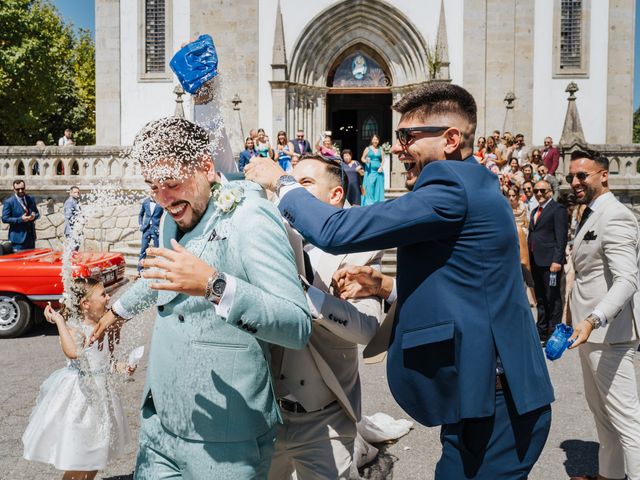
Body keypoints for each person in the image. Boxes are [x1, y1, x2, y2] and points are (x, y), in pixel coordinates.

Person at [246, 82, 553, 479]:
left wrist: (282, 183)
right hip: (480, 396)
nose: (395, 147)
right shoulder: (471, 185)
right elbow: (469, 284)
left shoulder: (451, 186)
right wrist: (384, 288)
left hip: (497, 401)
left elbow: (338, 230)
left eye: (407, 136)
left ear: (450, 139)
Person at [91, 114, 311, 479]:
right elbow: (167, 272)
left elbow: (296, 325)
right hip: (160, 422)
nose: (163, 199)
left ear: (206, 167)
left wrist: (213, 285)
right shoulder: (172, 215)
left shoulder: (251, 218)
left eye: (172, 183)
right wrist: (118, 309)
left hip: (226, 435)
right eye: (152, 187)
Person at [268, 153, 383, 480]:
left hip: (324, 419)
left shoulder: (361, 249)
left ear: (335, 196)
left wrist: (305, 296)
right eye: (287, 182)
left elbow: (368, 329)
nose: (288, 192)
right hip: (266, 412)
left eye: (303, 184)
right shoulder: (269, 235)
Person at [566, 150, 640, 480]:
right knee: (603, 415)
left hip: (608, 333)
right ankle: (609, 476)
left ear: (604, 175)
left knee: (627, 420)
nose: (575, 182)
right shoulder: (590, 213)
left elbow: (627, 280)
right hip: (588, 334)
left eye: (583, 175)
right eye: (571, 177)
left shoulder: (616, 215)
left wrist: (593, 319)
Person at [22, 278, 132, 480]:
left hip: (102, 395)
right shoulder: (74, 329)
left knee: (96, 455)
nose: (108, 298)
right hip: (79, 399)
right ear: (85, 304)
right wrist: (60, 322)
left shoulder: (105, 327)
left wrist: (121, 367)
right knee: (78, 457)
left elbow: (106, 362)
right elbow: (73, 352)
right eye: (103, 295)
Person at [528, 180, 568, 343]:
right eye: (536, 191)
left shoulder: (558, 209)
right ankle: (542, 330)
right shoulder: (534, 211)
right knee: (541, 298)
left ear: (550, 191)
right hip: (536, 261)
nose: (539, 194)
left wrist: (557, 260)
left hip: (551, 263)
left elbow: (561, 238)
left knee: (553, 297)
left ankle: (554, 332)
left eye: (543, 191)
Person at [2, 180, 40, 251]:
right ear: (13, 189)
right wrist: (20, 219)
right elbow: (4, 218)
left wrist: (34, 217)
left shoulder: (30, 199)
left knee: (31, 261)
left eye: (22, 188)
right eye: (17, 189)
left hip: (31, 238)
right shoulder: (9, 202)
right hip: (18, 240)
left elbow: (37, 214)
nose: (20, 191)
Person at [137, 196, 163, 273]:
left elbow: (164, 216)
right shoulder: (145, 202)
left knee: (157, 251)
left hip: (156, 229)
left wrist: (160, 227)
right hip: (146, 229)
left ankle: (157, 270)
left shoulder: (161, 202)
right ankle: (139, 270)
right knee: (143, 250)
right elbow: (140, 214)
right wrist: (140, 224)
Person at [360, 134, 385, 205]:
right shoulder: (368, 149)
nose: (375, 141)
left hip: (379, 171)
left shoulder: (381, 149)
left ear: (378, 141)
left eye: (377, 139)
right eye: (374, 139)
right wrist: (366, 161)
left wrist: (381, 167)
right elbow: (362, 158)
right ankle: (369, 203)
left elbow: (383, 159)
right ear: (371, 140)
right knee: (370, 187)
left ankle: (378, 203)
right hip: (370, 171)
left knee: (378, 188)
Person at [63, 186, 82, 250]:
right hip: (71, 230)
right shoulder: (70, 202)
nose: (77, 194)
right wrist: (80, 219)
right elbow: (69, 216)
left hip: (75, 230)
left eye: (78, 192)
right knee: (72, 250)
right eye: (75, 192)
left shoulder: (75, 201)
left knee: (75, 250)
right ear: (70, 193)